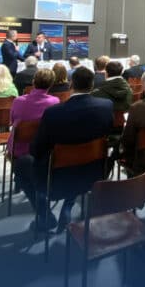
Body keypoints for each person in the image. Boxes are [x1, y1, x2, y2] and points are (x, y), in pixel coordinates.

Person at [14, 66, 113, 232]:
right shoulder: (106, 106)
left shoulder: (54, 113)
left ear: (71, 84)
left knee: (23, 164)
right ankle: (69, 202)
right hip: (94, 174)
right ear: (92, 85)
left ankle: (44, 215)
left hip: (57, 180)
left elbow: (37, 149)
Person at [7, 69, 60, 158]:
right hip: (44, 150)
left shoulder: (18, 101)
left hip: (18, 150)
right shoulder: (55, 101)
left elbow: (11, 121)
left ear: (33, 82)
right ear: (51, 84)